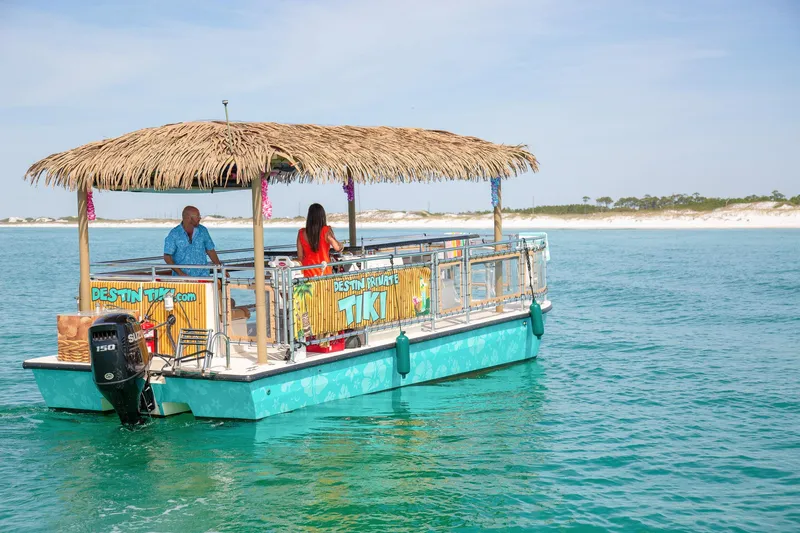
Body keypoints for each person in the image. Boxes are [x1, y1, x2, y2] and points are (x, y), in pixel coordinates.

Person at [164, 206, 222, 277]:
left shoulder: (203, 230)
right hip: (181, 279)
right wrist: (180, 273)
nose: (200, 218)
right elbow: (167, 256)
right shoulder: (174, 233)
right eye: (198, 216)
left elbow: (210, 250)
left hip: (203, 276)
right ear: (188, 217)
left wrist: (221, 269)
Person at [296, 203, 343, 277]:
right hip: (324, 271)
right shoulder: (326, 230)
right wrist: (341, 245)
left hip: (307, 271)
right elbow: (337, 247)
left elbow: (300, 256)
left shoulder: (301, 233)